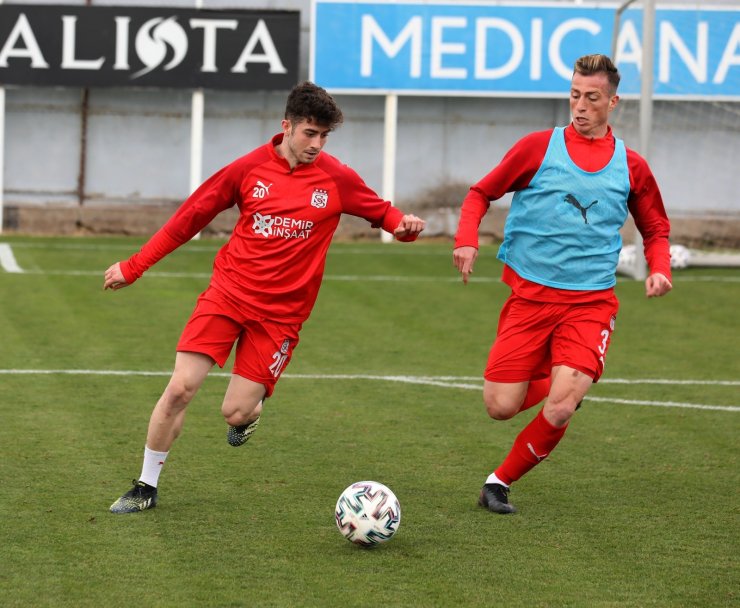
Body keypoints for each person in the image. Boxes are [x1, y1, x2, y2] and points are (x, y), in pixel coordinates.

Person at [105, 81, 426, 514]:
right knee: (181, 387)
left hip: (280, 318)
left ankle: (250, 415)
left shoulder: (336, 177)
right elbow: (189, 217)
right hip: (227, 295)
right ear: (286, 126)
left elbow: (384, 214)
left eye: (324, 136)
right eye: (309, 134)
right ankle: (146, 485)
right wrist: (134, 265)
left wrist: (403, 227)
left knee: (234, 413)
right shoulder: (247, 169)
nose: (317, 144)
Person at [452, 54, 672, 514]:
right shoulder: (537, 148)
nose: (580, 105)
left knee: (559, 408)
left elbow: (655, 227)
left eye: (592, 98)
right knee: (500, 406)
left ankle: (499, 482)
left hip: (591, 304)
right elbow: (480, 193)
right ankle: (566, 385)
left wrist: (660, 267)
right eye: (574, 95)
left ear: (613, 101)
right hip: (530, 299)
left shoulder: (632, 165)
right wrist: (467, 240)